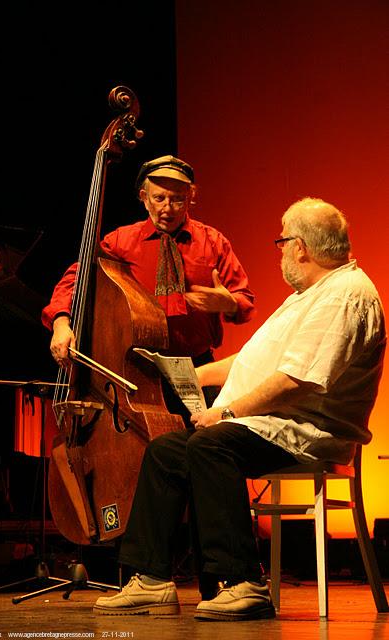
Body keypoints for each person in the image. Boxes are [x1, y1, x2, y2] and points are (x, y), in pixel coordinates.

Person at [92, 197, 386, 621]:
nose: (280, 249)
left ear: (300, 246)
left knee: (212, 445)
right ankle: (151, 579)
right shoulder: (308, 295)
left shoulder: (344, 296)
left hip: (307, 431)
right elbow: (248, 360)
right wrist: (176, 373)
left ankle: (242, 582)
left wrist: (226, 414)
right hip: (273, 424)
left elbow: (295, 381)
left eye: (282, 240)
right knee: (166, 451)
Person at [42, 155, 255, 380]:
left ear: (190, 196)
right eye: (159, 198)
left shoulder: (213, 242)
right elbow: (77, 278)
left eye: (178, 199)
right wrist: (61, 323)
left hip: (196, 366)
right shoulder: (121, 241)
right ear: (144, 198)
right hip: (136, 367)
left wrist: (230, 304)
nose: (168, 208)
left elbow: (245, 300)